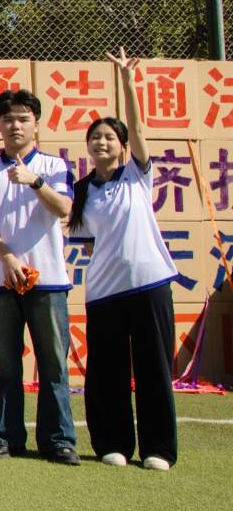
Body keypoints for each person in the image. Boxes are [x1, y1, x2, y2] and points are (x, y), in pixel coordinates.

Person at [70, 49, 180, 471]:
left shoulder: (137, 175)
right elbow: (87, 246)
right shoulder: (81, 191)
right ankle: (111, 443)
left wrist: (128, 83)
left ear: (122, 145)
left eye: (109, 138)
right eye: (95, 137)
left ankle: (159, 449)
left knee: (154, 368)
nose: (102, 143)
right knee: (107, 372)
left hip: (150, 284)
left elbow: (138, 126)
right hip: (104, 292)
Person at [0, 87, 78, 465]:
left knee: (53, 362)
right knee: (6, 361)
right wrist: (8, 258)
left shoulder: (54, 166)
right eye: (8, 119)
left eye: (23, 119)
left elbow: (63, 207)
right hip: (0, 280)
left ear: (36, 124)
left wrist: (34, 181)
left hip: (48, 280)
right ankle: (6, 435)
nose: (15, 126)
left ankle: (58, 439)